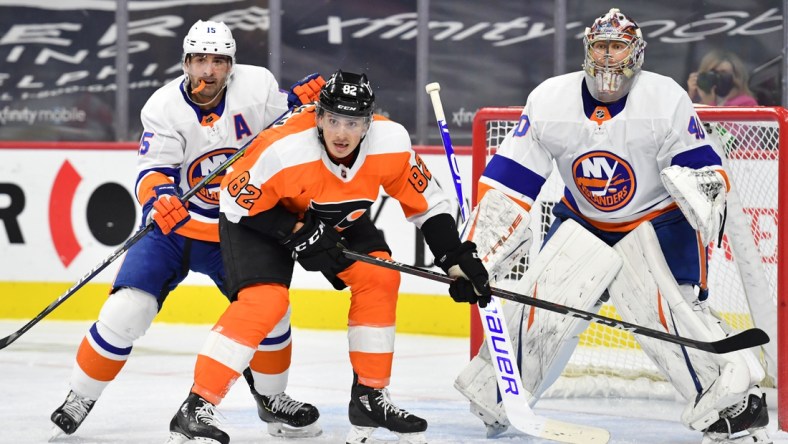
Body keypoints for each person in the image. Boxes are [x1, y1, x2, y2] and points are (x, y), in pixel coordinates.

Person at [454, 9, 770, 444]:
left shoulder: (665, 98)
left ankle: (730, 406)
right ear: (587, 50)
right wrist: (475, 254)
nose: (607, 56)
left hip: (657, 220)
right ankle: (500, 396)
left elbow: (703, 167)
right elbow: (511, 182)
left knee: (670, 312)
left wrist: (700, 190)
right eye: (600, 46)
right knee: (540, 307)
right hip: (583, 219)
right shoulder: (550, 99)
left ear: (635, 53)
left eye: (616, 46)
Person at [165, 69, 492, 444]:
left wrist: (455, 257)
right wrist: (297, 232)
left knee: (380, 275)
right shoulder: (284, 147)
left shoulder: (391, 143)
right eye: (333, 119)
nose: (341, 133)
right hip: (261, 219)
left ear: (369, 123)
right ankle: (195, 407)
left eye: (353, 122)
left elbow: (428, 204)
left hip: (333, 214)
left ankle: (370, 397)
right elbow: (234, 200)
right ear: (318, 116)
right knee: (265, 302)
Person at [50, 19, 327, 440]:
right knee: (127, 311)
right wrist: (159, 196)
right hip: (177, 228)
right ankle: (80, 395)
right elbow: (152, 170)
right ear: (185, 62)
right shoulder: (163, 107)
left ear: (231, 64)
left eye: (219, 60)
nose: (209, 70)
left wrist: (306, 104)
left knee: (272, 312)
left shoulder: (256, 86)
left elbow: (290, 122)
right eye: (200, 60)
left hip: (238, 227)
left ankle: (272, 400)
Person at [687, 49, 758, 106]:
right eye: (713, 72)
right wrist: (690, 96)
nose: (717, 76)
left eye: (723, 72)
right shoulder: (701, 103)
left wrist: (709, 105)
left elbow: (715, 124)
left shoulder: (746, 103)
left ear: (736, 76)